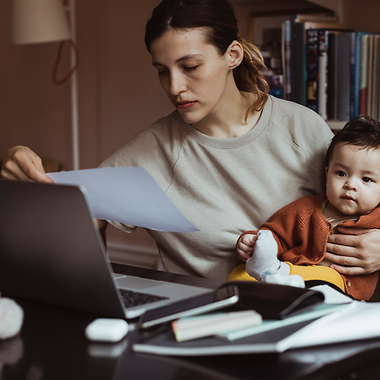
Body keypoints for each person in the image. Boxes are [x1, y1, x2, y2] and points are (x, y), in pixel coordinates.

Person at [2, 0, 380, 284]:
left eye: (190, 67)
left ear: (232, 55)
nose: (174, 87)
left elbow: (367, 191)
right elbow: (71, 217)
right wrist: (22, 175)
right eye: (162, 72)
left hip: (308, 312)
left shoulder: (302, 127)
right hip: (199, 320)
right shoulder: (151, 151)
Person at [233, 116, 380, 300]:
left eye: (366, 179)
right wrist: (252, 243)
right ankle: (275, 277)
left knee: (326, 279)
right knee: (238, 275)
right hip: (292, 269)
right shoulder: (305, 209)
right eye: (341, 173)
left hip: (338, 284)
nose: (350, 184)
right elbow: (275, 234)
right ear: (327, 174)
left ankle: (278, 278)